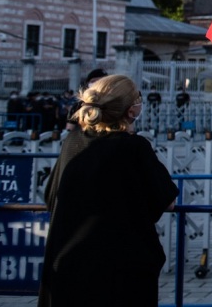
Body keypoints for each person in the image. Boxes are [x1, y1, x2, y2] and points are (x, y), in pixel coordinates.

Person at [38, 74, 178, 307]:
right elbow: (166, 200)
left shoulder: (71, 142)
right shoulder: (133, 147)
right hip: (119, 269)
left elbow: (51, 195)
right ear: (131, 110)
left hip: (67, 264)